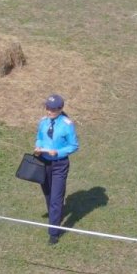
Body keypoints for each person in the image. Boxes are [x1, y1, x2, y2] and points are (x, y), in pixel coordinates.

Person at [33, 93, 79, 245]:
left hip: (59, 164)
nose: (49, 112)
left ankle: (53, 232)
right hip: (44, 162)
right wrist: (38, 146)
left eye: (52, 109)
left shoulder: (67, 124)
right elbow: (39, 136)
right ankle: (56, 215)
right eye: (47, 108)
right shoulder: (43, 122)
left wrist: (58, 152)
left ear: (60, 109)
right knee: (47, 193)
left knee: (56, 197)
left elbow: (73, 145)